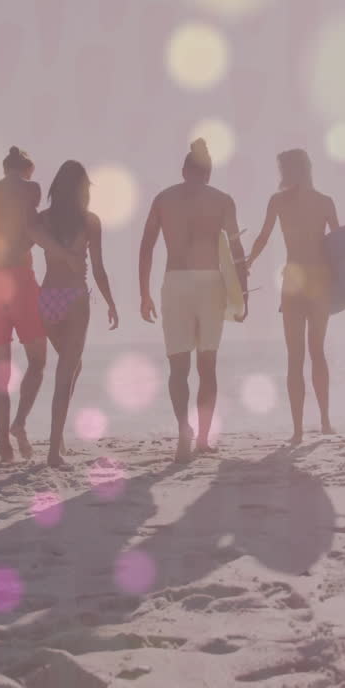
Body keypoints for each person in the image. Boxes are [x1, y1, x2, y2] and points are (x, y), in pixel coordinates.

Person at [0, 146, 85, 464]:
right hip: (19, 279)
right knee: (38, 360)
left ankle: (4, 449)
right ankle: (19, 423)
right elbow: (31, 229)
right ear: (27, 170)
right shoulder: (30, 188)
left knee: (0, 372)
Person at [139, 139, 247, 462]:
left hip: (175, 282)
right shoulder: (223, 201)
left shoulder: (163, 199)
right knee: (207, 364)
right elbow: (237, 250)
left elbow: (146, 247)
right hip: (210, 283)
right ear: (209, 173)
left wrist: (143, 293)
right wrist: (242, 293)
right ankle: (202, 438)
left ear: (184, 170)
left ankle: (183, 429)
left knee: (178, 366)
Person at [246, 149, 339, 444]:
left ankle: (298, 430)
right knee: (317, 351)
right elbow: (341, 248)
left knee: (295, 357)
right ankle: (324, 422)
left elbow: (262, 237)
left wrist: (247, 262)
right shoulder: (325, 202)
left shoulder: (279, 202)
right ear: (309, 169)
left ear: (286, 171)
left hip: (294, 281)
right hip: (320, 282)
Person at [38, 160, 119, 468]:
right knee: (65, 372)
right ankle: (53, 451)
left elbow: (26, 237)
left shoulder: (42, 220)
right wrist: (110, 301)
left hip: (47, 298)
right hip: (73, 298)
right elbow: (97, 268)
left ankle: (57, 441)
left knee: (72, 367)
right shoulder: (89, 221)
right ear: (82, 189)